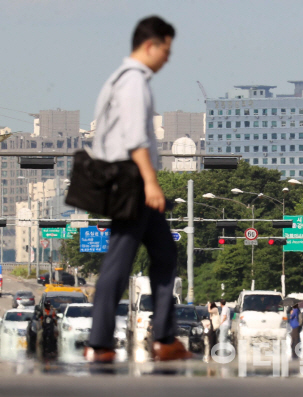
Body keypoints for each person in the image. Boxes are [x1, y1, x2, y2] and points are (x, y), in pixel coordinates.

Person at [86, 16, 191, 363]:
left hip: (126, 179)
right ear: (150, 45)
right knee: (119, 261)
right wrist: (150, 182)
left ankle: (164, 337)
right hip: (131, 181)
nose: (167, 58)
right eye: (166, 50)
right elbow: (135, 139)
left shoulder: (119, 79)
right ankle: (100, 342)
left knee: (164, 255)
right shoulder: (133, 82)